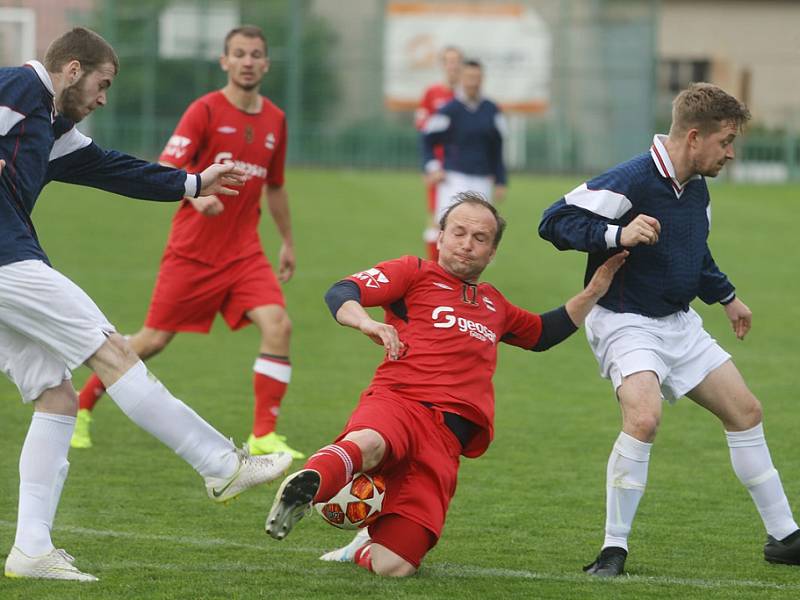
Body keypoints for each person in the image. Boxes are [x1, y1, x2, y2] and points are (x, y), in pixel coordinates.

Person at [0, 27, 292, 582]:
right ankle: (221, 465)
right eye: (102, 85)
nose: (103, 98)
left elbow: (112, 167)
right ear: (72, 70)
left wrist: (193, 181)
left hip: (9, 261)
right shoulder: (20, 87)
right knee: (112, 352)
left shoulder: (52, 125)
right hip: (6, 259)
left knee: (56, 395)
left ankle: (31, 549)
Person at [263, 193, 627, 576]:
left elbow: (542, 333)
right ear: (440, 237)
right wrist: (366, 322)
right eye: (459, 232)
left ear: (492, 254)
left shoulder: (494, 305)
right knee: (369, 442)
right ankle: (309, 487)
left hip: (444, 444)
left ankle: (361, 548)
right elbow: (342, 291)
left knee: (396, 567)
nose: (467, 244)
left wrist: (595, 290)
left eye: (480, 238)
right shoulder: (413, 273)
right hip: (399, 401)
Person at [538, 82, 800, 576]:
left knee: (746, 412)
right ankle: (613, 549)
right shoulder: (632, 179)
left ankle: (785, 537)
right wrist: (618, 232)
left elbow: (694, 252)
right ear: (694, 137)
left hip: (678, 322)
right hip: (624, 319)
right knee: (644, 419)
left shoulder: (696, 187)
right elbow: (553, 222)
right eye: (725, 141)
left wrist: (726, 296)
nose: (731, 153)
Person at [71, 25, 304, 459]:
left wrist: (288, 241)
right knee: (152, 341)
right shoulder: (205, 111)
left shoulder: (275, 119)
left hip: (245, 253)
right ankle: (82, 406)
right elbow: (168, 165)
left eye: (256, 54)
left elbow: (275, 186)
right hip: (193, 252)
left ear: (267, 64)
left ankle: (264, 435)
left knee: (279, 326)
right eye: (239, 54)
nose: (248, 61)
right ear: (225, 61)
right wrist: (196, 199)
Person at [421, 59, 507, 241]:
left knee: (481, 229)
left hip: (482, 178)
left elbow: (497, 148)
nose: (473, 82)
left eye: (477, 77)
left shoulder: (491, 110)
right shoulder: (449, 110)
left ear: (482, 79)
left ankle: (472, 269)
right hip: (454, 177)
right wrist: (433, 167)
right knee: (446, 226)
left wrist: (500, 179)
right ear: (461, 78)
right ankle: (437, 268)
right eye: (469, 77)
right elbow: (427, 140)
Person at [415, 46, 463, 261]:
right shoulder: (432, 93)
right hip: (439, 168)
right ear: (443, 65)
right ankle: (434, 271)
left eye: (456, 61)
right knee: (436, 218)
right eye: (448, 61)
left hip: (464, 167)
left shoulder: (467, 97)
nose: (453, 66)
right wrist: (429, 165)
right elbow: (423, 129)